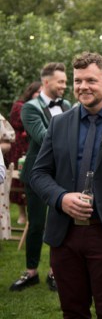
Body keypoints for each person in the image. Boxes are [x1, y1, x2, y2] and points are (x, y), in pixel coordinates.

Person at [29, 52, 102, 317]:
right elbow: (38, 173)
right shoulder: (59, 123)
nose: (83, 86)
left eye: (91, 80)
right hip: (64, 234)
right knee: (72, 309)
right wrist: (61, 198)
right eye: (78, 80)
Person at [9, 63, 70, 293]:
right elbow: (44, 137)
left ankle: (55, 271)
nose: (65, 86)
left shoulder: (67, 105)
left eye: (65, 81)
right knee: (36, 224)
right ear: (46, 82)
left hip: (63, 172)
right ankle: (31, 271)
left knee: (61, 222)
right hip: (37, 172)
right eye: (60, 82)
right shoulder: (30, 108)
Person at [7, 81, 42, 224]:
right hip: (18, 148)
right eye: (38, 92)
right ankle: (22, 214)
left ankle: (32, 214)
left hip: (32, 146)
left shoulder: (42, 107)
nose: (40, 95)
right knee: (18, 181)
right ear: (31, 92)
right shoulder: (19, 106)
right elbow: (18, 123)